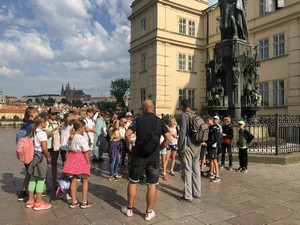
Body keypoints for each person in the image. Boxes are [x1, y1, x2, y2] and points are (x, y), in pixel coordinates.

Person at [121, 100, 170, 221]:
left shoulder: (138, 120)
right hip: (153, 156)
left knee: (133, 181)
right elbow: (168, 137)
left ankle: (130, 209)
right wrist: (160, 148)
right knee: (152, 184)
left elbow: (127, 134)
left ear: (143, 108)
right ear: (153, 108)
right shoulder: (160, 121)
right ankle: (148, 213)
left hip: (138, 155)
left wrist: (129, 146)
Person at [63, 120, 92, 209]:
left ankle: (74, 201)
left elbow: (67, 151)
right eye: (83, 127)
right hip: (80, 159)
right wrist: (88, 162)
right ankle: (84, 201)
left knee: (73, 180)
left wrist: (66, 161)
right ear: (80, 128)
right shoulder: (81, 138)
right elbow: (86, 152)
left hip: (72, 159)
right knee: (85, 179)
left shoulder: (70, 137)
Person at [178, 99, 202, 202]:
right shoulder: (195, 115)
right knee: (196, 170)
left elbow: (182, 133)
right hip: (197, 145)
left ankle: (188, 196)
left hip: (188, 147)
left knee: (187, 170)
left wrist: (179, 147)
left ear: (183, 106)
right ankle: (197, 192)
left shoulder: (184, 115)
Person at [26, 115, 51, 210]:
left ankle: (30, 200)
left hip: (33, 156)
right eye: (45, 122)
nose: (46, 123)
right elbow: (44, 148)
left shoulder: (33, 131)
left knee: (33, 178)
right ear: (42, 123)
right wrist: (48, 156)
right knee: (41, 179)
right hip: (41, 157)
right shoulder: (42, 133)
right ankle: (39, 202)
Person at [17, 107, 39, 201]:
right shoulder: (32, 125)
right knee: (31, 173)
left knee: (28, 173)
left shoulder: (24, 124)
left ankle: (23, 192)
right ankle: (28, 193)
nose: (38, 115)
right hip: (30, 152)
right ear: (32, 115)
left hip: (23, 152)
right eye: (37, 114)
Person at [44, 107, 61, 190]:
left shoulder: (57, 122)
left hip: (55, 146)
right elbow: (46, 134)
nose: (54, 115)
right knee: (45, 164)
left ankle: (54, 181)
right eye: (53, 114)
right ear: (49, 114)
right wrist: (55, 129)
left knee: (54, 164)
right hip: (47, 146)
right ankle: (44, 181)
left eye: (55, 114)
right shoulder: (46, 123)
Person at [203, 116, 221, 183]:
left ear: (211, 120)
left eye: (208, 120)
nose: (207, 122)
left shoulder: (215, 128)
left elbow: (215, 139)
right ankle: (211, 173)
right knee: (210, 160)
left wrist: (208, 144)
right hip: (209, 146)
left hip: (213, 146)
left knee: (215, 161)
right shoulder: (210, 127)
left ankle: (217, 176)